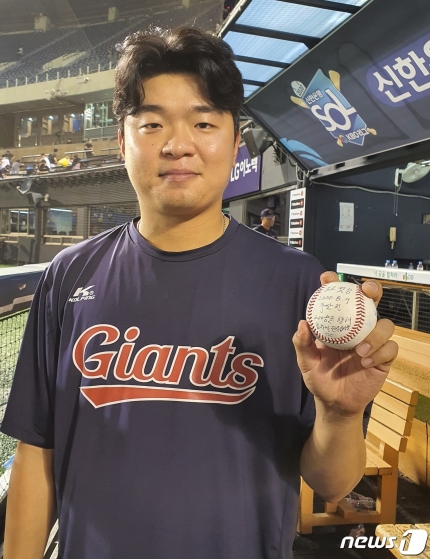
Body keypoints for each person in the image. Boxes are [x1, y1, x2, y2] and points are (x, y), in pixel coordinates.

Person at [1, 28, 397, 559]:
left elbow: (331, 483)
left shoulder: (298, 284)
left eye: (204, 122)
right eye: (152, 123)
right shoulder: (69, 275)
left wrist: (341, 416)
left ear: (235, 145)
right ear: (122, 142)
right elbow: (36, 453)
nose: (177, 144)